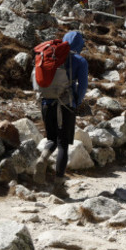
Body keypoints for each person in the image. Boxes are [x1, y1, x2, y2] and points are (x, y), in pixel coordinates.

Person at [34, 31, 89, 197]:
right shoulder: (79, 60)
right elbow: (83, 85)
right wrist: (77, 102)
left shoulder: (49, 56)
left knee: (51, 139)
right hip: (66, 104)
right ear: (79, 44)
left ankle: (42, 159)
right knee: (63, 143)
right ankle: (58, 187)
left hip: (45, 102)